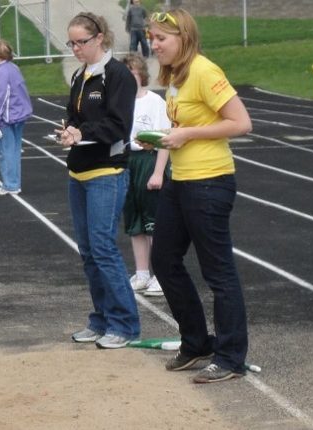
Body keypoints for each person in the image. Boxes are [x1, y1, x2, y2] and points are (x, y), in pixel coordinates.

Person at [147, 9, 252, 383]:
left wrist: (186, 134)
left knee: (218, 272)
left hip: (209, 182)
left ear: (184, 38)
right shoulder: (176, 76)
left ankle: (231, 357)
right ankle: (196, 343)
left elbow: (241, 123)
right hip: (181, 179)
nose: (154, 45)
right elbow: (185, 124)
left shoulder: (205, 71)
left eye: (161, 38)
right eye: (151, 38)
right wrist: (165, 138)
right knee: (163, 259)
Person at [55, 13, 140, 349]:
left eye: (82, 42)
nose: (76, 48)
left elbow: (118, 125)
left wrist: (83, 132)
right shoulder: (81, 75)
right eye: (72, 43)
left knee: (103, 248)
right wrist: (68, 131)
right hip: (78, 172)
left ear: (100, 38)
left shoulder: (117, 76)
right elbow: (74, 115)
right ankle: (101, 319)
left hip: (107, 171)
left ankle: (125, 324)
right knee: (89, 251)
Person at [121, 54, 169, 297]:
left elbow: (164, 139)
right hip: (126, 161)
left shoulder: (154, 102)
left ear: (141, 74)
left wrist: (158, 173)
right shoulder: (119, 102)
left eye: (132, 73)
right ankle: (142, 273)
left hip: (149, 161)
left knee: (154, 223)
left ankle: (161, 275)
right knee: (135, 222)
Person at [0, 39, 33, 196]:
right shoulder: (14, 68)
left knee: (6, 152)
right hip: (18, 115)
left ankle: (10, 184)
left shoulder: (0, 72)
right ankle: (14, 183)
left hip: (6, 117)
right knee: (14, 150)